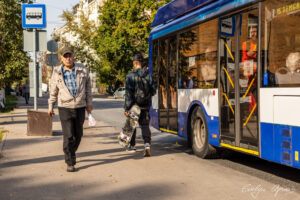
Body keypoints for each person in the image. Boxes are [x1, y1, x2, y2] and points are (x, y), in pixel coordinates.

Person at [48, 47, 93, 172]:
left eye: (70, 56)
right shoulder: (57, 71)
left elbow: (88, 88)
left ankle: (70, 151)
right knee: (68, 135)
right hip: (64, 107)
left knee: (78, 135)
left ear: (73, 56)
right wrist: (50, 106)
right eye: (65, 56)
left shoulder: (82, 69)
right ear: (62, 58)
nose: (68, 58)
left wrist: (89, 104)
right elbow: (53, 91)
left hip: (80, 106)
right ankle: (70, 161)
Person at [124, 53, 156, 157]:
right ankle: (147, 146)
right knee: (145, 126)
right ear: (141, 63)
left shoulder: (130, 76)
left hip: (134, 106)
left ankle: (132, 146)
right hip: (145, 105)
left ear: (134, 63)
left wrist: (127, 108)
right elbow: (154, 91)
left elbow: (128, 94)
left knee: (131, 124)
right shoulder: (148, 76)